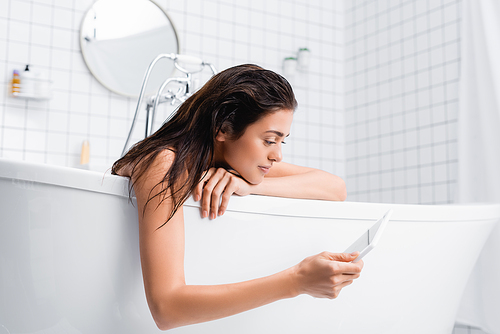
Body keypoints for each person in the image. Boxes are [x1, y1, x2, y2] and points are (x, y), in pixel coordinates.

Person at [112, 64, 363, 330]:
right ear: (223, 128)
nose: (278, 155)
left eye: (282, 141)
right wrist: (297, 281)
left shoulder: (226, 162)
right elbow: (167, 308)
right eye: (269, 140)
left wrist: (250, 186)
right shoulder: (164, 163)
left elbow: (335, 188)